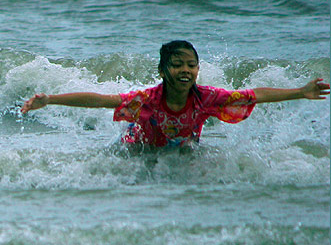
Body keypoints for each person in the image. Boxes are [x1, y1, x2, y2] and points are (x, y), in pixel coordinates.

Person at [20, 40, 329, 148]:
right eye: (178, 64)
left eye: (191, 65)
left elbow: (253, 95)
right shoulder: (147, 99)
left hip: (182, 146)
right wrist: (50, 100)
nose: (186, 70)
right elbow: (102, 101)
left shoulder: (207, 98)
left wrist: (301, 92)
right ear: (163, 70)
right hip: (141, 145)